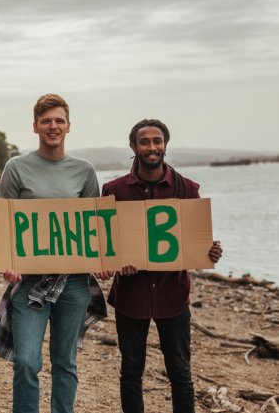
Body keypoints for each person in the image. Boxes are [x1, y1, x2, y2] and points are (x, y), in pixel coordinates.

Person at [0, 93, 108, 413]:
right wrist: (8, 263)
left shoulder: (84, 171)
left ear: (69, 126)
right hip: (29, 282)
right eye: (46, 121)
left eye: (59, 120)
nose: (52, 126)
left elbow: (93, 229)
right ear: (35, 126)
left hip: (73, 283)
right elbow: (1, 222)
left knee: (65, 363)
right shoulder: (16, 168)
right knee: (27, 362)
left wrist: (103, 261)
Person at [102, 119, 223, 413]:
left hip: (174, 295)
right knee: (131, 371)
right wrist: (118, 263)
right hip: (131, 296)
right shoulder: (113, 190)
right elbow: (105, 246)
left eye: (157, 141)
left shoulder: (187, 188)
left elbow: (194, 240)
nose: (152, 147)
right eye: (145, 142)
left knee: (180, 372)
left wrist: (210, 251)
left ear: (165, 145)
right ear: (134, 147)